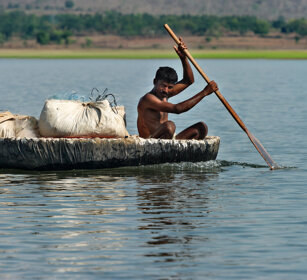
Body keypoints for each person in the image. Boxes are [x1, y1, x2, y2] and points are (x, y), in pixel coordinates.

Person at [137, 38, 218, 140]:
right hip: (149, 141)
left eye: (170, 87)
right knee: (169, 126)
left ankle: (179, 151)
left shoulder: (165, 94)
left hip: (167, 140)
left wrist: (184, 58)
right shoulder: (148, 99)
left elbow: (188, 81)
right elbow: (177, 109)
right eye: (163, 85)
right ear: (154, 82)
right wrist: (204, 92)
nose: (166, 90)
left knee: (201, 128)